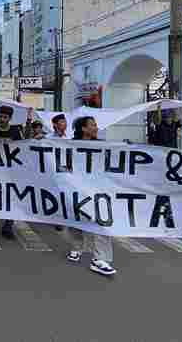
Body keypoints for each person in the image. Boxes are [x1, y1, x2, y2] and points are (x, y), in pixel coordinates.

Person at [65, 116, 117, 277]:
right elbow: (65, 166)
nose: (96, 127)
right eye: (93, 125)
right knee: (76, 221)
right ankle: (77, 247)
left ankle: (100, 259)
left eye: (96, 124)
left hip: (98, 189)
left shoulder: (102, 145)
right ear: (83, 129)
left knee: (102, 222)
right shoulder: (70, 145)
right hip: (77, 189)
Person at [0, 105, 32, 239]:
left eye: (5, 117)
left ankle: (8, 226)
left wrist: (28, 121)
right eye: (0, 116)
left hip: (12, 170)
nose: (2, 119)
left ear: (9, 118)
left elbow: (26, 141)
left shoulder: (15, 131)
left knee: (12, 197)